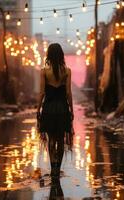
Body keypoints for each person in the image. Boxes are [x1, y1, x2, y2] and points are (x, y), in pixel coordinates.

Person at [36, 43, 74, 180]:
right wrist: (72, 110)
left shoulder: (44, 71)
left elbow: (41, 93)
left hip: (49, 108)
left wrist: (38, 109)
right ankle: (58, 167)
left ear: (49, 55)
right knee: (61, 138)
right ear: (61, 55)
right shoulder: (67, 71)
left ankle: (53, 168)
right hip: (63, 108)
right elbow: (69, 93)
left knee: (51, 139)